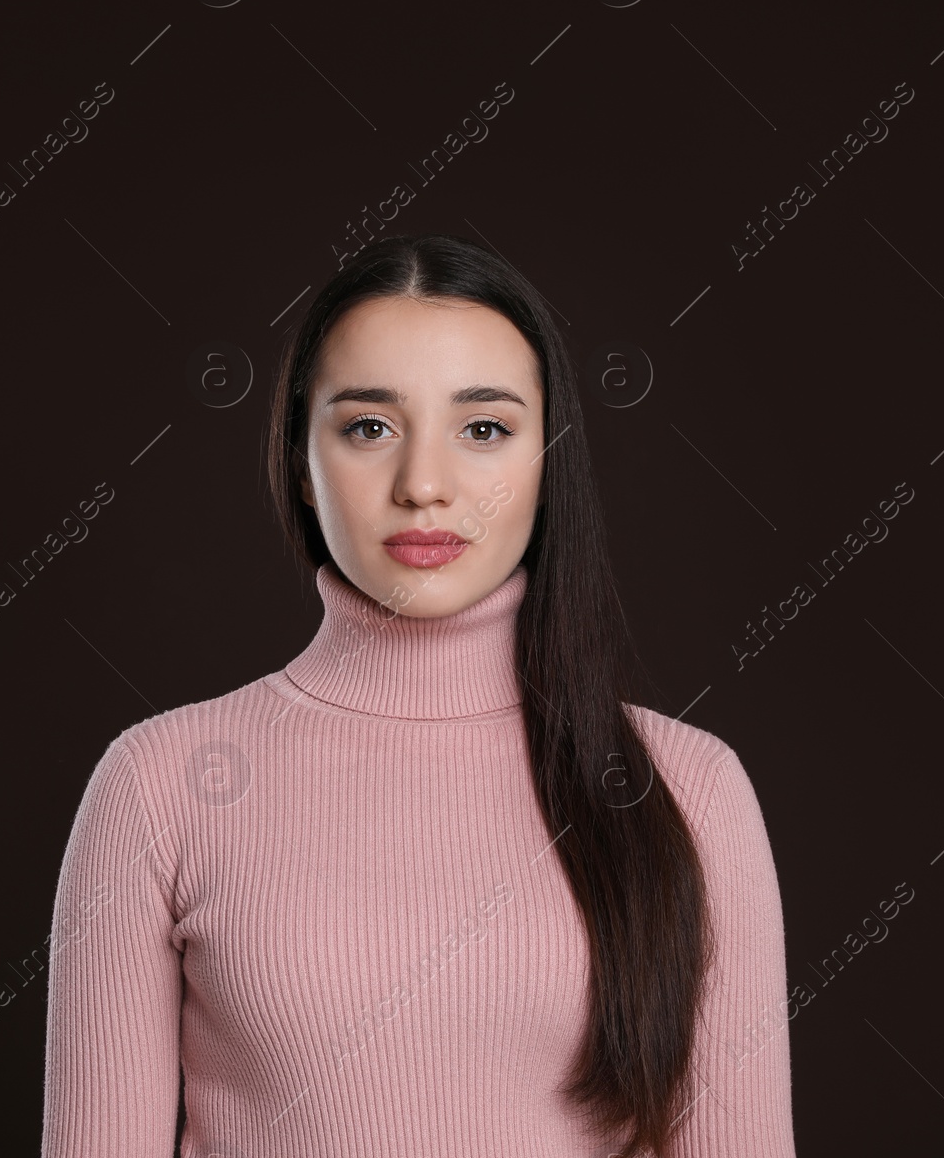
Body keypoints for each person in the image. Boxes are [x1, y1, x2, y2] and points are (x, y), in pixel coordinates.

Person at [40, 234, 796, 1157]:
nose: (424, 487)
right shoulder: (160, 785)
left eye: (484, 429)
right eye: (368, 427)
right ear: (299, 464)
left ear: (549, 461)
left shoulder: (688, 788)